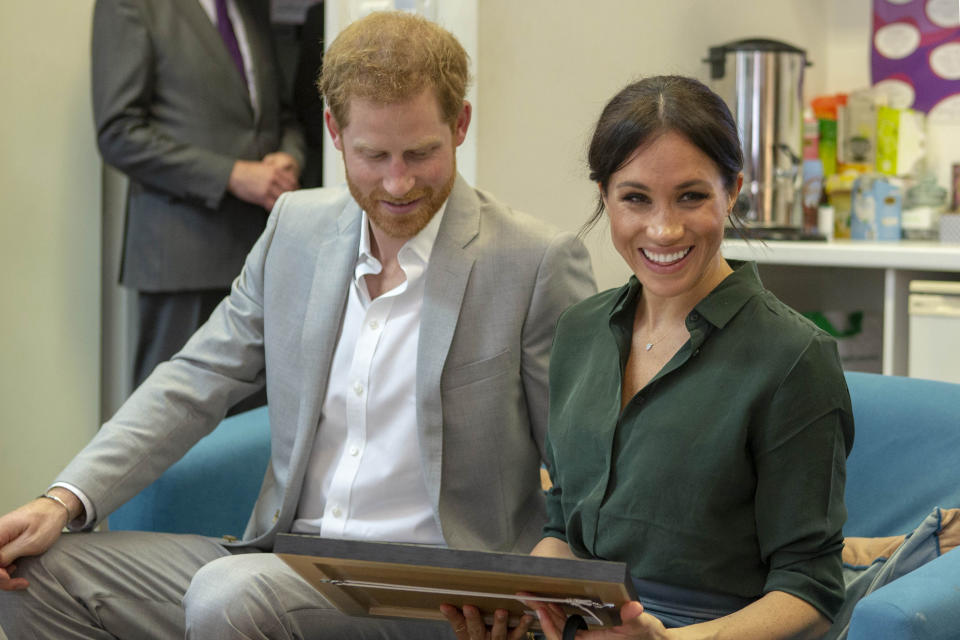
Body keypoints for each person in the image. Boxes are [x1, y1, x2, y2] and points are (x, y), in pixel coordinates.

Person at [0, 11, 595, 639]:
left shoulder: (533, 260)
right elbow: (195, 376)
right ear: (335, 133)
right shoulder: (294, 229)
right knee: (33, 574)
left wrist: (548, 577)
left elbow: (580, 456)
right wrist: (63, 499)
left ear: (461, 125)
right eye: (373, 155)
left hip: (439, 591)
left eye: (422, 153)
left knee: (231, 597)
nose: (398, 182)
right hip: (283, 562)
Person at [442, 75, 854, 640]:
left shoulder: (794, 358)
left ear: (732, 191)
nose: (664, 228)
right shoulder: (579, 330)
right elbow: (563, 526)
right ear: (604, 197)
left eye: (692, 196)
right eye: (635, 198)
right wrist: (528, 605)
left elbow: (810, 587)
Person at [92, 0, 306, 390]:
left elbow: (283, 116)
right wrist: (232, 175)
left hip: (260, 256)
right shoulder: (130, 5)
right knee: (169, 427)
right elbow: (119, 134)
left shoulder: (251, 9)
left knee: (248, 432)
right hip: (182, 257)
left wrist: (290, 157)